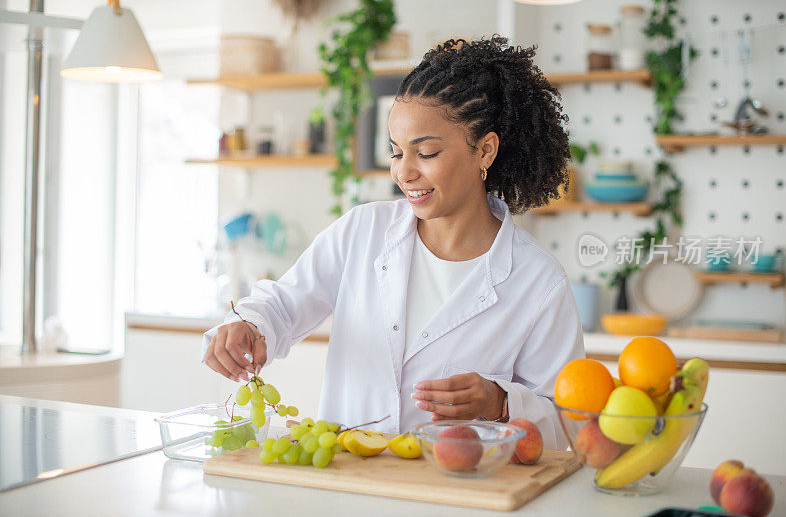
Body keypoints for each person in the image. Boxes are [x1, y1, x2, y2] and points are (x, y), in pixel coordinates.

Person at [201, 35, 584, 449]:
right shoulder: (362, 232)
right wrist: (248, 326)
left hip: (459, 499)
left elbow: (569, 423)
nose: (404, 172)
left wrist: (502, 403)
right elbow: (282, 305)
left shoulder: (538, 281)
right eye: (397, 152)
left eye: (428, 153)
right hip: (349, 489)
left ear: (486, 150)